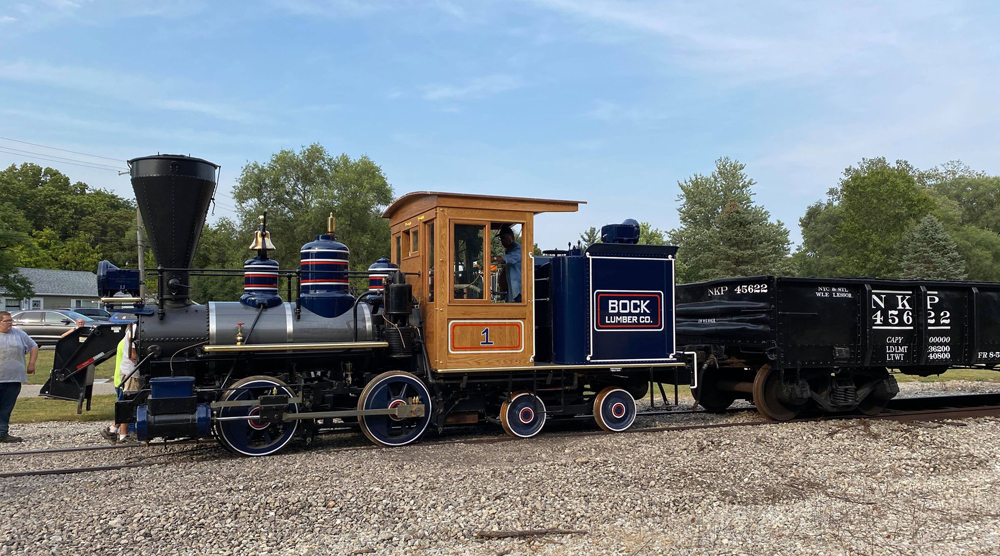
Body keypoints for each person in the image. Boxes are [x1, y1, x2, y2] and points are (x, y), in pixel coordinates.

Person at [0, 310, 38, 443]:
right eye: (7, 321)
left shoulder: (19, 334)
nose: (11, 323)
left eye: (11, 320)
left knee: (6, 408)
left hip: (14, 378)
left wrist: (31, 364)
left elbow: (33, 346)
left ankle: (2, 433)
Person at [100, 323, 138, 444]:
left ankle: (113, 429)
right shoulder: (134, 331)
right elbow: (133, 356)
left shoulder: (125, 337)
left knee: (127, 404)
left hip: (124, 376)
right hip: (130, 374)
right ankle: (123, 435)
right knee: (129, 404)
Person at [492, 225, 522, 303]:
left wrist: (492, 258)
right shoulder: (509, 251)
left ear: (511, 237)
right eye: (500, 238)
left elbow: (504, 259)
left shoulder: (519, 250)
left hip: (520, 293)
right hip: (512, 292)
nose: (502, 241)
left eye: (503, 238)